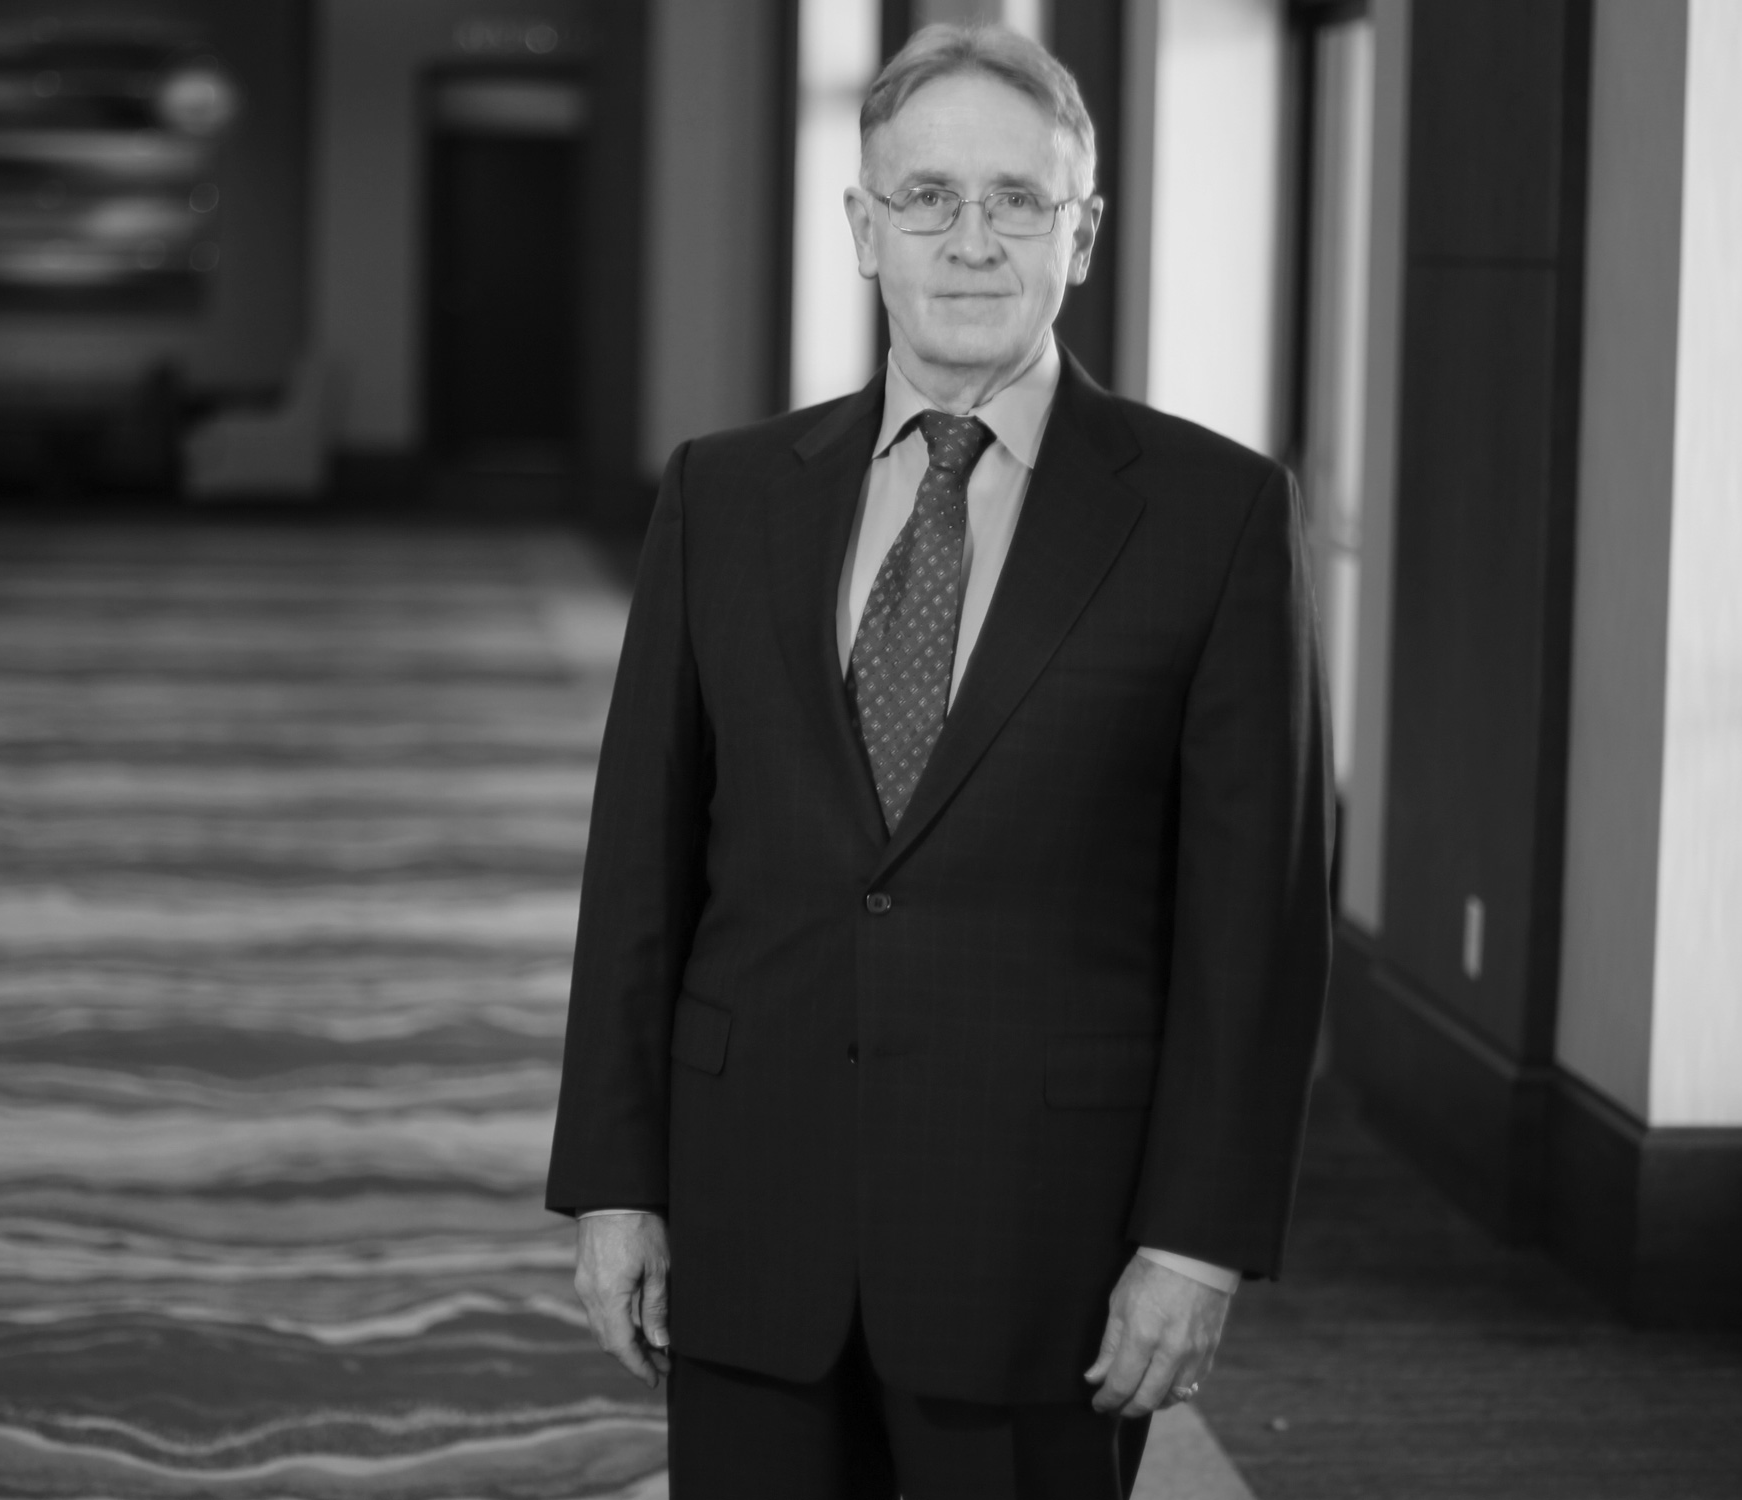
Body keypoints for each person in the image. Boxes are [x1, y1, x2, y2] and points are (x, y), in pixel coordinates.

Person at [544, 21, 1330, 1498]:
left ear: (1081, 233)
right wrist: (613, 1182)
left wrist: (1197, 1241)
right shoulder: (724, 496)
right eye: (928, 198)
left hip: (1045, 1249)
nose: (972, 241)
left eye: (1018, 199)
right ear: (864, 228)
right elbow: (637, 869)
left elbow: (1257, 930)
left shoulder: (1216, 518)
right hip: (750, 1214)